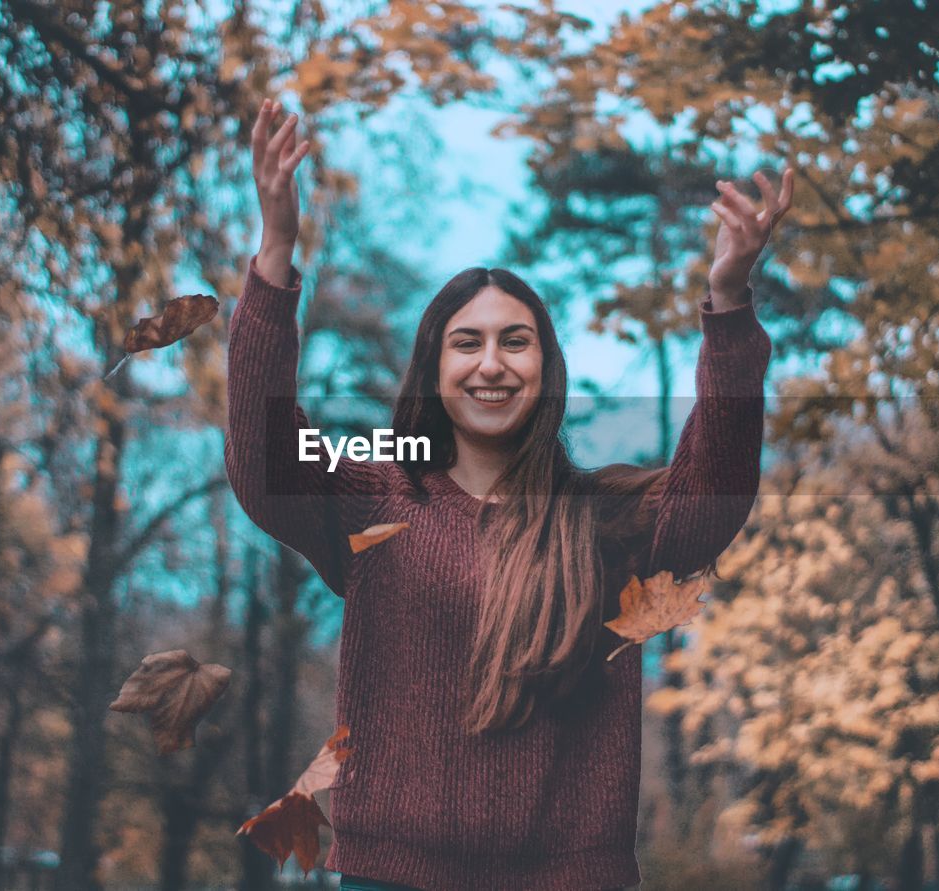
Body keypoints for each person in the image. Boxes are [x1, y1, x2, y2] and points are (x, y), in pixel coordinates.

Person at [226, 98, 792, 891]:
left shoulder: (606, 519)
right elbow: (262, 462)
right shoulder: (373, 494)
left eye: (514, 340)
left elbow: (715, 492)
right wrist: (277, 250)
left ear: (545, 370)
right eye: (468, 342)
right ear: (434, 369)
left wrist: (728, 305)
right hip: (390, 876)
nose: (492, 362)